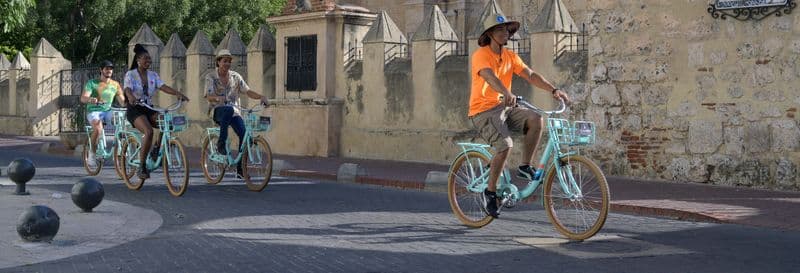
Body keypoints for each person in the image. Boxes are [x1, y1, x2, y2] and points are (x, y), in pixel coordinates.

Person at [469, 14, 571, 218]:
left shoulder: (510, 56)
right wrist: (506, 93)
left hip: (505, 108)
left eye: (507, 29)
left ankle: (525, 166)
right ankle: (490, 193)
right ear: (490, 34)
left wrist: (554, 90)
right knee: (505, 145)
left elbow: (530, 75)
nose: (505, 33)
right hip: (483, 110)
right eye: (500, 30)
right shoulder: (481, 55)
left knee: (536, 119)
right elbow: (489, 76)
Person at [124, 44, 190, 179]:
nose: (148, 61)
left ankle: (155, 150)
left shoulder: (153, 75)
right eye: (145, 59)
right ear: (138, 60)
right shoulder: (130, 74)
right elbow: (127, 89)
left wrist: (178, 93)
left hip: (148, 108)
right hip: (135, 109)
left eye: (149, 59)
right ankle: (142, 166)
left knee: (167, 123)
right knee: (149, 131)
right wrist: (131, 98)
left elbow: (163, 87)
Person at [205, 49, 269, 178]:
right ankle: (221, 144)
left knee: (245, 136)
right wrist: (218, 98)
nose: (227, 64)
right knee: (227, 109)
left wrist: (261, 96)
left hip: (234, 112)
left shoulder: (236, 76)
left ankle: (241, 169)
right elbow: (208, 95)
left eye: (229, 61)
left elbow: (248, 91)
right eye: (224, 61)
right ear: (218, 62)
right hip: (217, 111)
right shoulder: (211, 76)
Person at [80, 60, 125, 168]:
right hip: (94, 111)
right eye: (106, 68)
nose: (109, 70)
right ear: (101, 70)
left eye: (111, 68)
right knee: (98, 129)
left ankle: (122, 149)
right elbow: (83, 98)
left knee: (123, 124)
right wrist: (91, 99)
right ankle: (92, 154)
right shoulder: (92, 83)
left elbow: (123, 102)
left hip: (108, 111)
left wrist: (132, 103)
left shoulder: (115, 84)